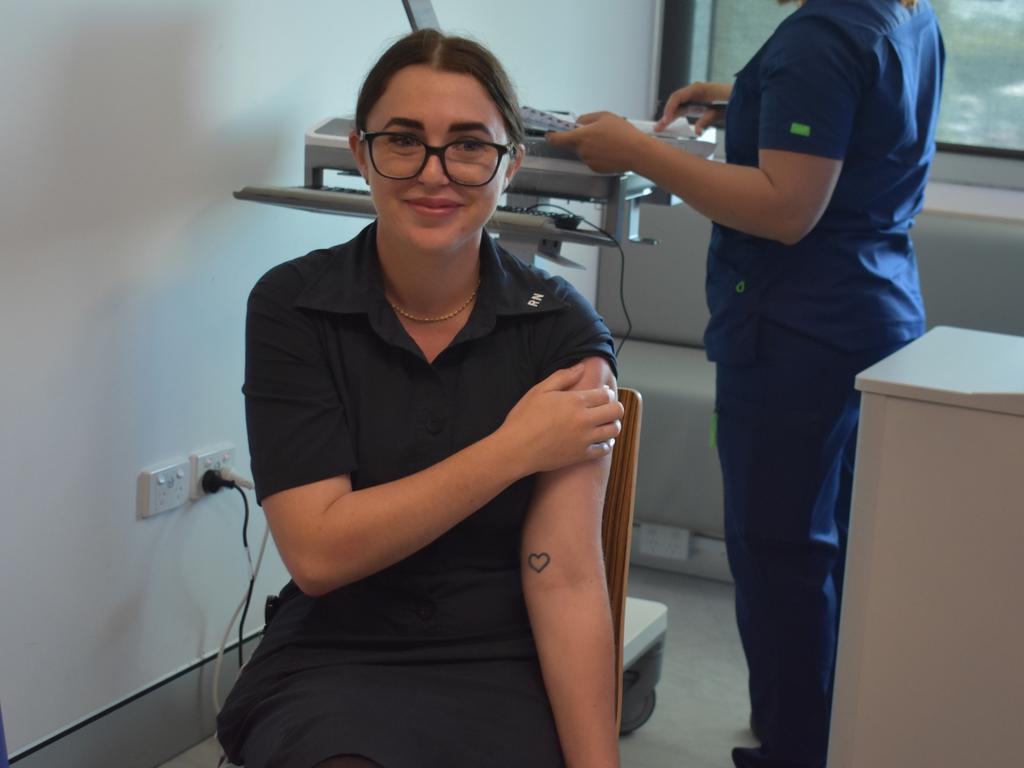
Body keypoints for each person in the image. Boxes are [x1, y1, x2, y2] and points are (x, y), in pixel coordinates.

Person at [547, 1, 944, 767]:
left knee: (780, 550)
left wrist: (632, 147)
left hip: (798, 331)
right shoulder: (902, 13)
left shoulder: (819, 38)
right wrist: (745, 95)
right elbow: (864, 111)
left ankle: (795, 749)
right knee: (828, 547)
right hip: (873, 310)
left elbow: (787, 209)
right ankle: (818, 728)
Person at [215, 29, 625, 768]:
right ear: (362, 154)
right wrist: (513, 449)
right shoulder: (293, 307)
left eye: (470, 145)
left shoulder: (561, 332)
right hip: (335, 656)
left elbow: (562, 577)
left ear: (512, 166)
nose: (434, 173)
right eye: (404, 140)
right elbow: (319, 552)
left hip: (500, 658)